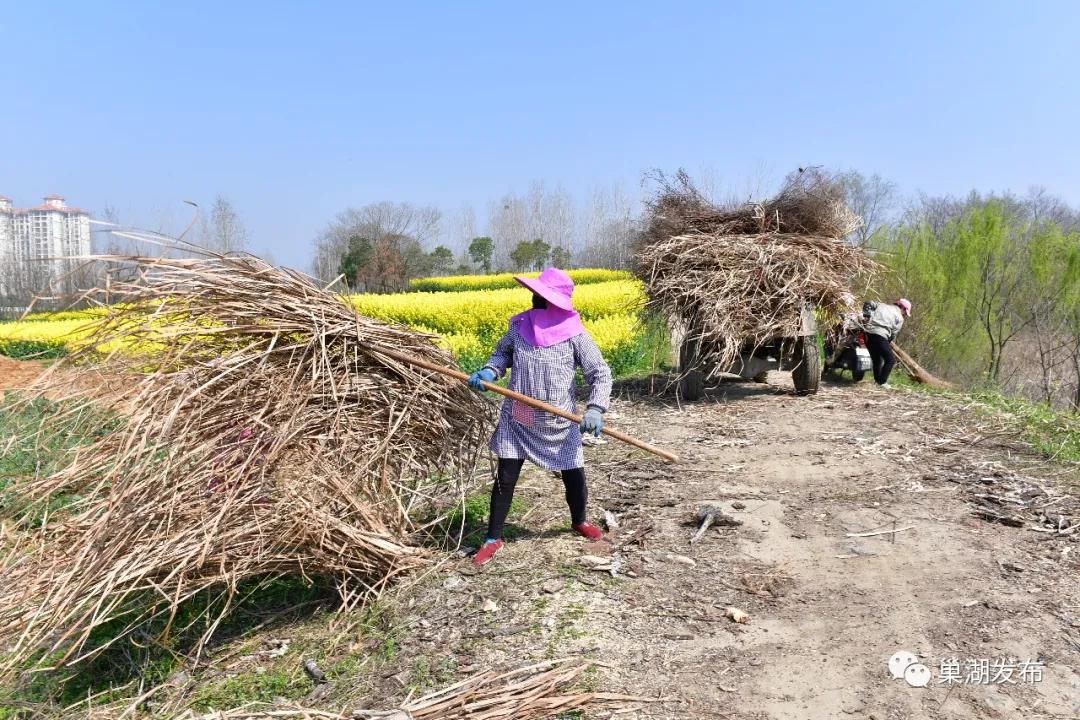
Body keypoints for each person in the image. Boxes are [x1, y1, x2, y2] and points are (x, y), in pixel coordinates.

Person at [466, 267, 613, 567]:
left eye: (542, 296)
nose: (535, 299)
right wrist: (489, 371)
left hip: (560, 420)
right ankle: (493, 537)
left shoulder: (575, 334)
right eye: (536, 293)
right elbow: (501, 356)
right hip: (519, 415)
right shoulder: (519, 326)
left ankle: (579, 520)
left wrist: (596, 408)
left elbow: (600, 372)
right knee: (505, 477)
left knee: (574, 476)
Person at [862, 298, 912, 386]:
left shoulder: (881, 305)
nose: (904, 314)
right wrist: (887, 341)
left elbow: (868, 302)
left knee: (877, 360)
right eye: (905, 312)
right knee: (890, 360)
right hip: (881, 336)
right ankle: (882, 382)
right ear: (903, 308)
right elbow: (893, 333)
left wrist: (866, 314)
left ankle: (877, 381)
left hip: (868, 334)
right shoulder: (900, 317)